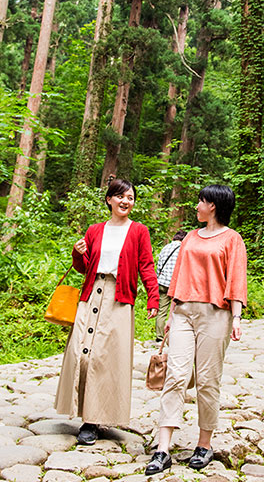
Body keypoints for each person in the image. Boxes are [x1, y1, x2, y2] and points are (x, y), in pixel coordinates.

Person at [145, 184, 247, 475]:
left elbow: (236, 279)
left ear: (212, 205)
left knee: (207, 379)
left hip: (216, 314)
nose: (196, 206)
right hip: (183, 313)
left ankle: (204, 443)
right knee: (175, 375)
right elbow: (178, 276)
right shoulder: (190, 237)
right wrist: (172, 311)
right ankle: (162, 449)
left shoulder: (232, 239)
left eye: (200, 201)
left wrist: (236, 318)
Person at [54, 178, 159, 446]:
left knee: (105, 358)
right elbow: (85, 267)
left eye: (131, 197)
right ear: (109, 200)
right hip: (91, 295)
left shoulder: (138, 231)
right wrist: (78, 255)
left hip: (119, 298)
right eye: (121, 196)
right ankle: (80, 411)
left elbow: (146, 265)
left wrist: (153, 299)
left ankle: (93, 421)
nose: (126, 201)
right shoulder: (94, 230)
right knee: (80, 353)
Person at [154, 229, 187, 342]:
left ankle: (159, 337)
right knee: (176, 311)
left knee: (162, 311)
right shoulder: (183, 249)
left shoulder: (165, 248)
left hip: (162, 282)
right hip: (176, 285)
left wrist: (159, 278)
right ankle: (172, 336)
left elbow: (159, 265)